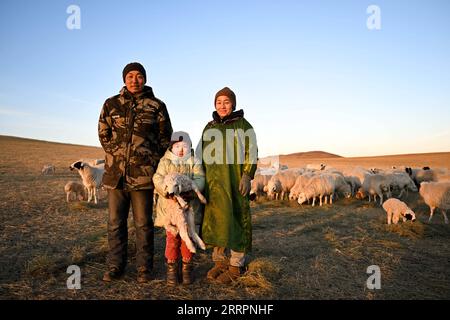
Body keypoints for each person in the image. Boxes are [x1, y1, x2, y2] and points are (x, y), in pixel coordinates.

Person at [98, 62, 173, 283]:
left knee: (143, 223)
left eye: (139, 76)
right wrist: (117, 155)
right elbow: (104, 133)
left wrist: (149, 159)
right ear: (124, 79)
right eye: (130, 76)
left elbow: (164, 137)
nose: (134, 80)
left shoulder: (156, 105)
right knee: (115, 222)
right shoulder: (111, 104)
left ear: (144, 79)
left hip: (143, 176)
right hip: (116, 176)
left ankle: (144, 268)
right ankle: (115, 265)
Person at [199, 87, 258, 284]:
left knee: (236, 220)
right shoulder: (209, 127)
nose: (222, 106)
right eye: (219, 102)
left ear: (233, 103)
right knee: (215, 220)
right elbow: (200, 155)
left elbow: (252, 151)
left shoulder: (243, 126)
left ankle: (236, 265)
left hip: (234, 182)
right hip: (213, 184)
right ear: (214, 105)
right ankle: (220, 262)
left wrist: (247, 176)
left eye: (226, 101)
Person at [152, 131, 205, 286]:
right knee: (172, 239)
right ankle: (171, 269)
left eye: (185, 146)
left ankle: (187, 269)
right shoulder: (165, 162)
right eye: (177, 146)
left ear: (190, 146)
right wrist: (166, 191)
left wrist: (189, 193)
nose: (181, 149)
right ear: (171, 147)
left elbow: (200, 179)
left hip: (188, 208)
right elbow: (157, 178)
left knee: (187, 238)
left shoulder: (194, 161)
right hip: (170, 209)